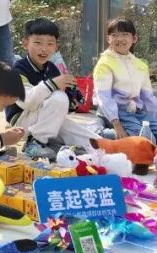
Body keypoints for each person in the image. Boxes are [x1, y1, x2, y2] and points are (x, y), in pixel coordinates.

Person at [9, 18, 101, 159]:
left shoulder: (52, 68)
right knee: (59, 98)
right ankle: (35, 143)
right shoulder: (17, 69)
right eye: (38, 43)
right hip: (22, 121)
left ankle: (105, 144)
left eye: (50, 44)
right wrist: (53, 84)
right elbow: (26, 102)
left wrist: (73, 100)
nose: (44, 48)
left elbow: (57, 107)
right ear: (25, 43)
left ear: (56, 46)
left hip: (43, 120)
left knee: (86, 138)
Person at [93, 18, 157, 147]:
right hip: (115, 112)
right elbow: (103, 96)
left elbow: (148, 96)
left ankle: (132, 132)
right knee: (144, 140)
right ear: (108, 39)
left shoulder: (140, 65)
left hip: (136, 112)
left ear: (134, 38)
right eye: (114, 35)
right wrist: (116, 123)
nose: (119, 39)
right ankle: (96, 132)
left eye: (125, 34)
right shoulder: (104, 64)